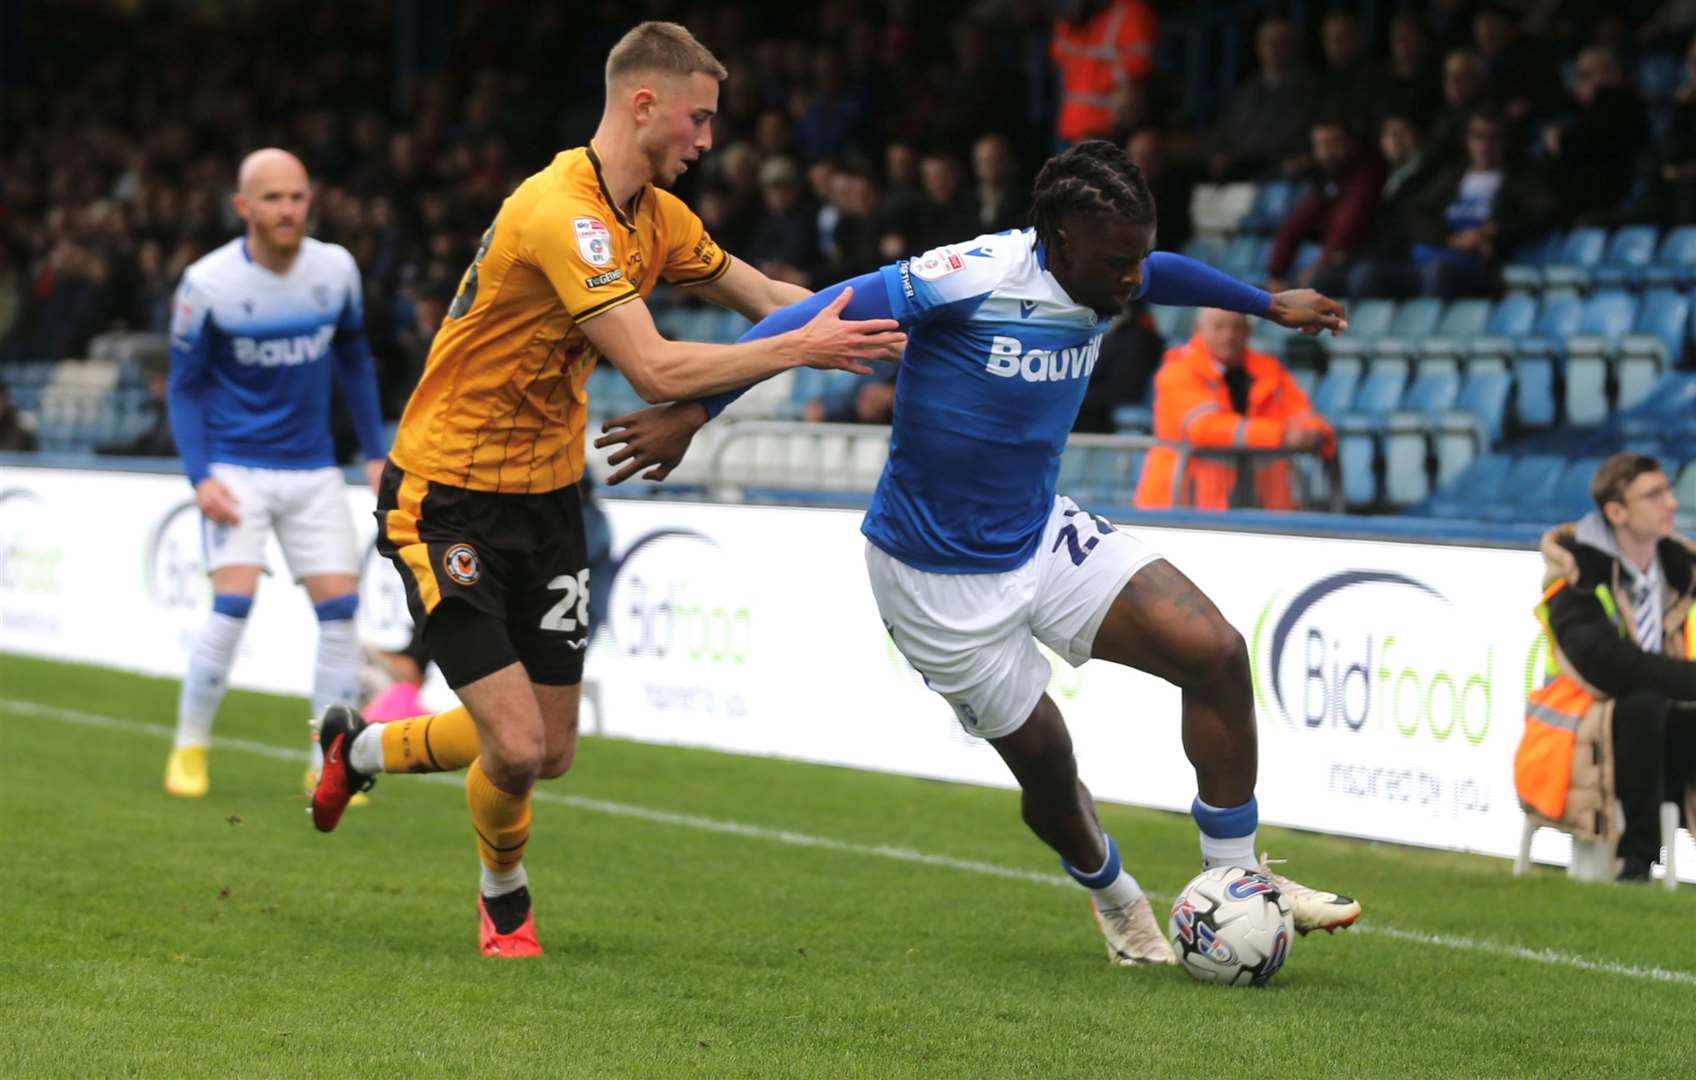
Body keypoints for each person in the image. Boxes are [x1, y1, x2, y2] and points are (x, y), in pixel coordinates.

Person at [596, 140, 1362, 967]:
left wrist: (1262, 301)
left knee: (1213, 651)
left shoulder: (1113, 271)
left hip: (1037, 533)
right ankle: (1115, 898)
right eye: (1118, 262)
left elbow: (1165, 267)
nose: (1134, 280)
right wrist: (694, 409)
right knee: (1049, 767)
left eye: (1139, 256)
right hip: (932, 579)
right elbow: (811, 317)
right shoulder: (968, 276)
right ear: (1061, 241)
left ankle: (1238, 878)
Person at [306, 21, 905, 959]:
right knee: (511, 747)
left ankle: (358, 750)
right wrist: (807, 347)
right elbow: (659, 370)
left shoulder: (659, 219)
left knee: (550, 750)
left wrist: (899, 314)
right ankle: (503, 897)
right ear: (644, 104)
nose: (708, 141)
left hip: (550, 500)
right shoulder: (562, 211)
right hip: (446, 493)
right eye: (699, 119)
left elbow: (776, 298)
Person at [162, 148, 388, 800]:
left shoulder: (336, 269)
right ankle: (190, 747)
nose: (287, 209)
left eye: (296, 196)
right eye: (272, 198)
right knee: (232, 606)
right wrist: (200, 475)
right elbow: (184, 386)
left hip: (314, 469)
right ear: (243, 208)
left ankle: (328, 763)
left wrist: (374, 450)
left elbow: (355, 360)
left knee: (341, 615)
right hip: (236, 468)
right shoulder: (207, 284)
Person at [1535, 453, 1696, 882]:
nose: (1671, 504)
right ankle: (1637, 862)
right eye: (1654, 495)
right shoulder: (1574, 571)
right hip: (1578, 726)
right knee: (1642, 703)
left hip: (1661, 719)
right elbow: (1608, 665)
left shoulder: (1682, 567)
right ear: (1616, 512)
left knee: (1660, 707)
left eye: (1667, 491)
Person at [1133, 308, 1334, 511]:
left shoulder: (1269, 371)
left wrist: (1313, 433)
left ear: (1248, 331)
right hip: (1184, 507)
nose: (1228, 335)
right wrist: (1282, 435)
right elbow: (1204, 428)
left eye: (1236, 327)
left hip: (1260, 509)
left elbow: (1305, 416)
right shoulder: (1178, 372)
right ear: (1199, 330)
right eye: (1219, 327)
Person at [1266, 118, 1385, 295]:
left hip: (1373, 256)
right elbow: (1295, 225)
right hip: (1339, 260)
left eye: (1333, 143)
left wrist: (1319, 266)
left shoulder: (1368, 174)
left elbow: (1348, 225)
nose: (1326, 152)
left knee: (1320, 281)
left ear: (1350, 144)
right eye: (1320, 145)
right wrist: (1276, 273)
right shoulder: (1326, 178)